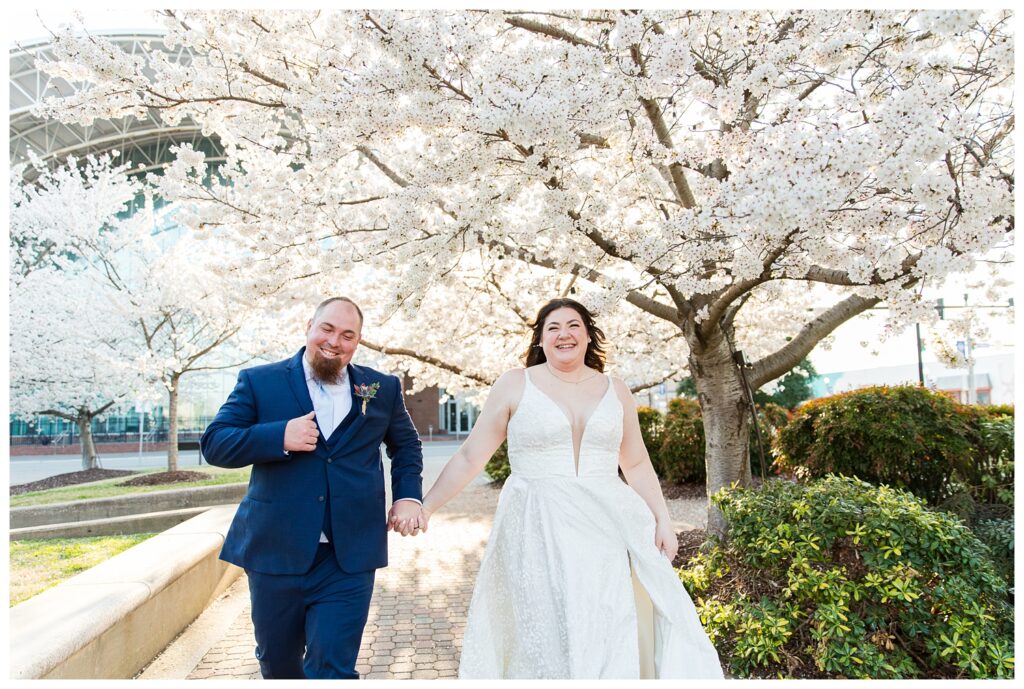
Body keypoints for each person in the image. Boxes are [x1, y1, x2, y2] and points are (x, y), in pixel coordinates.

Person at [394, 297, 723, 679]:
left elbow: (634, 462)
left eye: (573, 326)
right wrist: (428, 507)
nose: (563, 334)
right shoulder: (516, 384)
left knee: (607, 617)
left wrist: (662, 519)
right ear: (540, 339)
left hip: (607, 527)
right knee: (545, 627)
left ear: (588, 336)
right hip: (536, 526)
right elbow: (471, 456)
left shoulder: (615, 390)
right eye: (553, 327)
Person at [201, 297, 424, 679]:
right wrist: (279, 436)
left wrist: (407, 496)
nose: (335, 341)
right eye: (328, 329)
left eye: (347, 335)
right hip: (276, 553)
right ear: (309, 326)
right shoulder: (260, 381)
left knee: (332, 669)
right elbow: (215, 443)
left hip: (349, 556)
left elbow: (405, 446)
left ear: (358, 342)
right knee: (279, 666)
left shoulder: (381, 387)